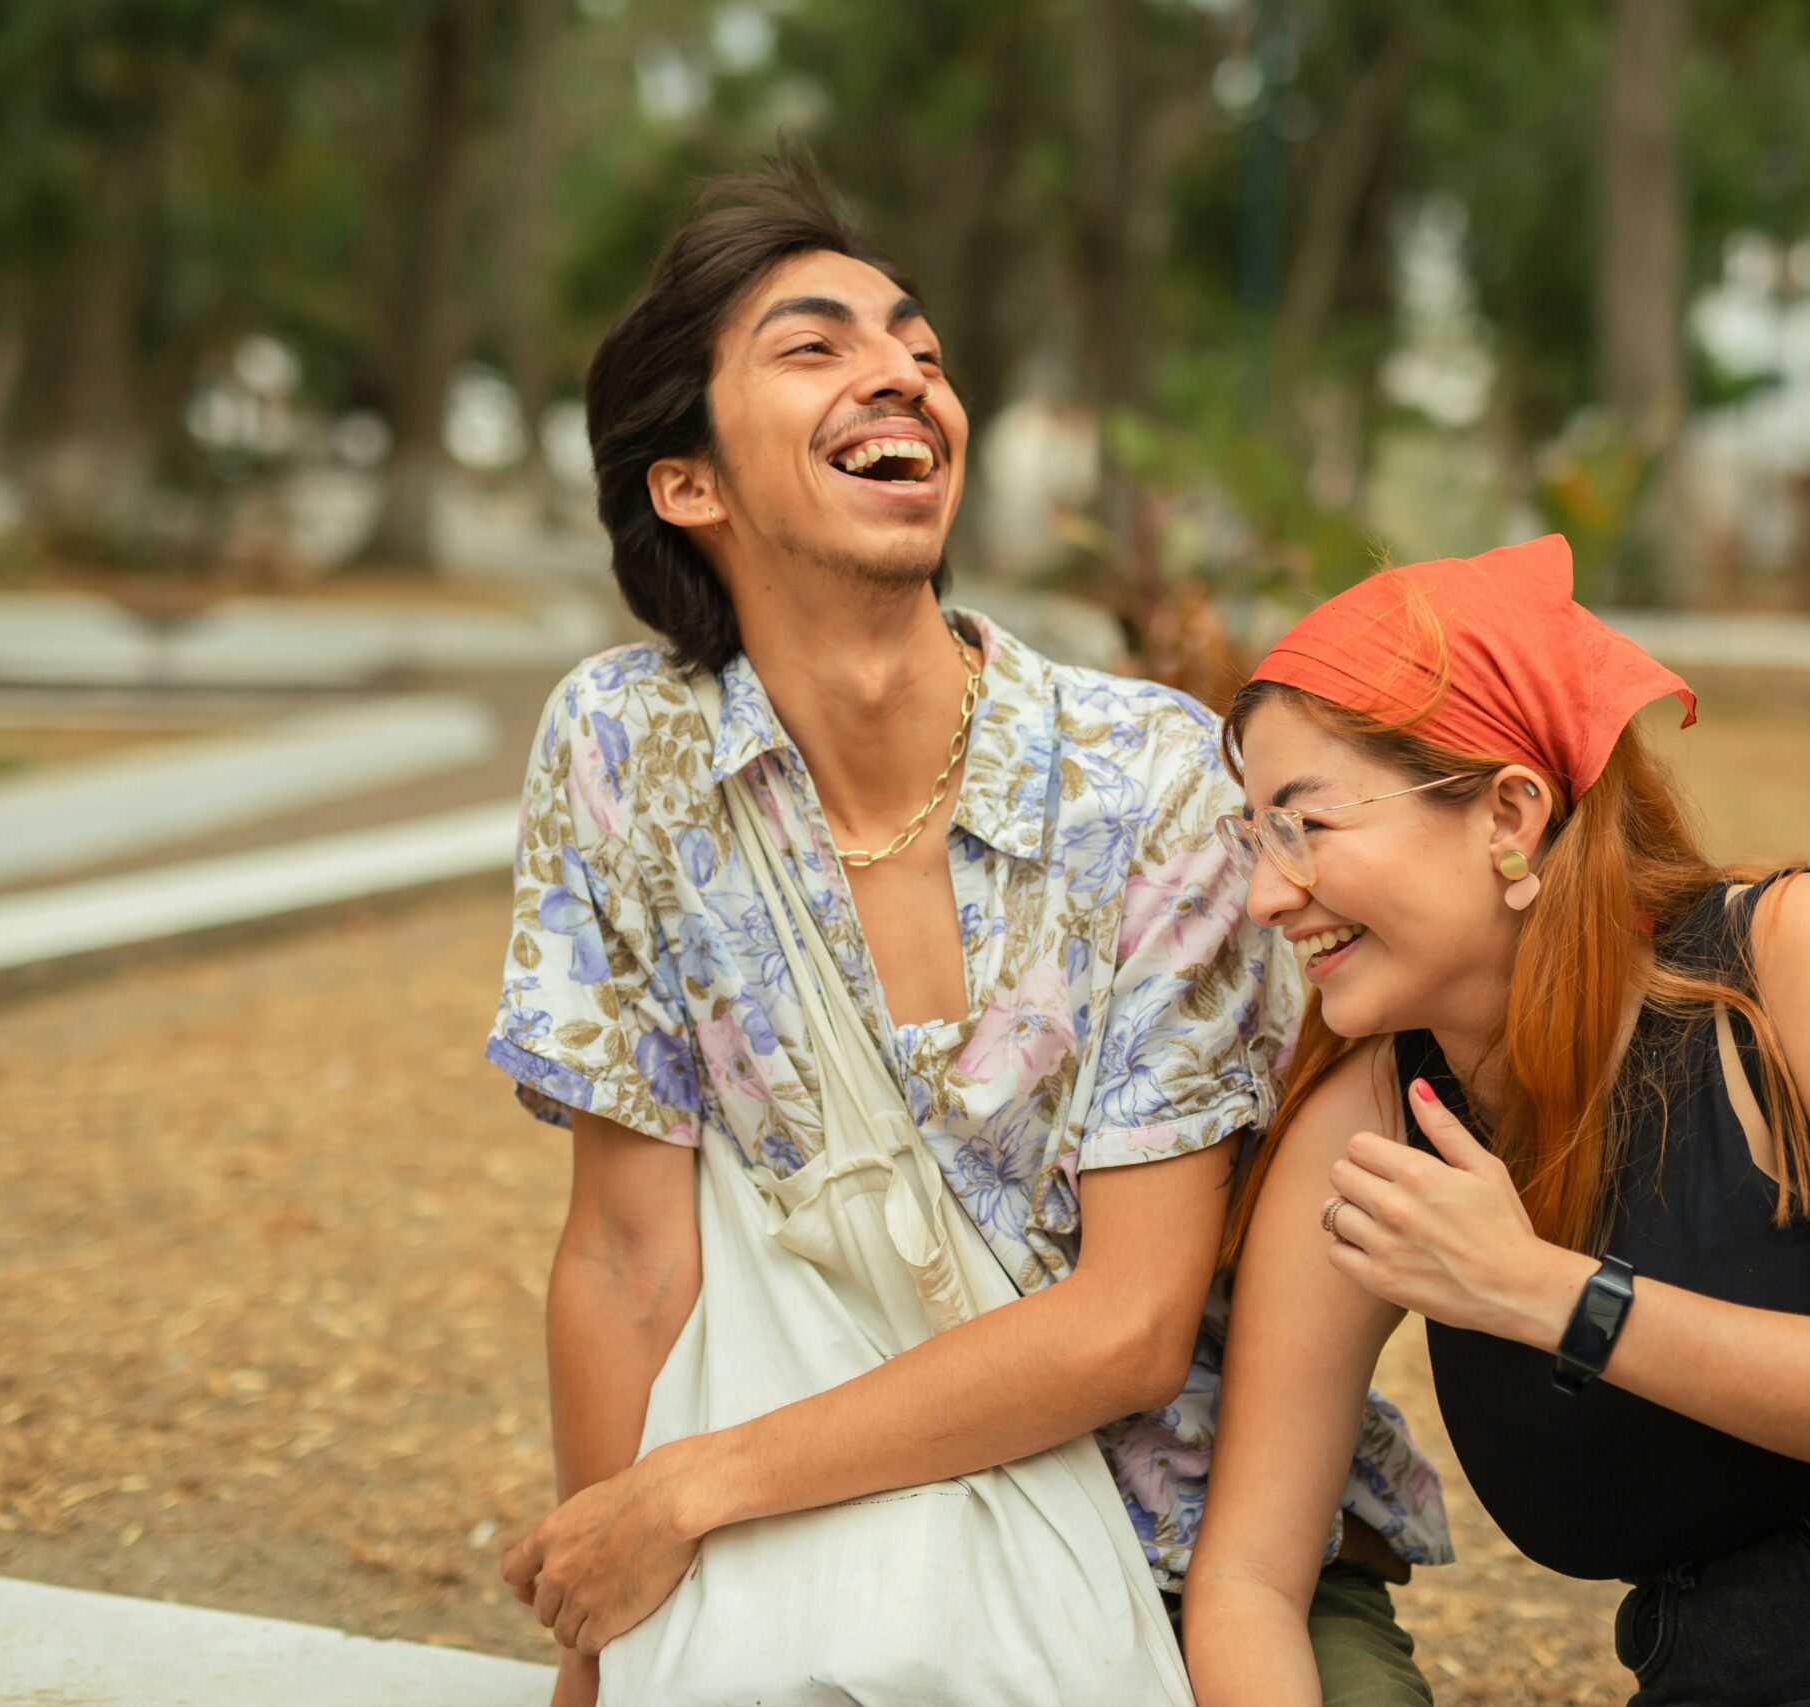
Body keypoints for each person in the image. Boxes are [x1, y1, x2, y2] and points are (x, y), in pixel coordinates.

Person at [480, 150, 1449, 1706]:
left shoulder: (1143, 780)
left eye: (921, 351)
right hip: (822, 1540)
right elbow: (622, 1254)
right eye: (819, 347)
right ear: (690, 483)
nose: (903, 378)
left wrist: (691, 1488)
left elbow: (1135, 1327)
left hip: (1182, 1541)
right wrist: (609, 1634)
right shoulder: (626, 753)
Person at [1181, 536, 1810, 1706]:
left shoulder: (1787, 958)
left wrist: (1543, 1292)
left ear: (1509, 813)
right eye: (1255, 835)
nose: (1264, 892)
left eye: (1305, 826)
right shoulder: (1369, 1129)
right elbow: (1249, 1573)